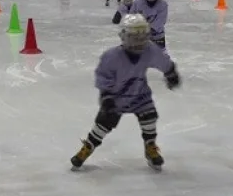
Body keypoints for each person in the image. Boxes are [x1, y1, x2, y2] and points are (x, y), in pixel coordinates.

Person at [70, 13, 181, 171]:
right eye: (134, 37)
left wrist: (170, 72)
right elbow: (103, 75)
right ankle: (88, 146)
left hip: (140, 96)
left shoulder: (149, 50)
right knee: (103, 123)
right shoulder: (111, 57)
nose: (139, 42)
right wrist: (106, 96)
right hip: (117, 98)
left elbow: (163, 61)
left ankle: (150, 146)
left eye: (142, 37)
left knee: (149, 118)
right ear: (123, 36)